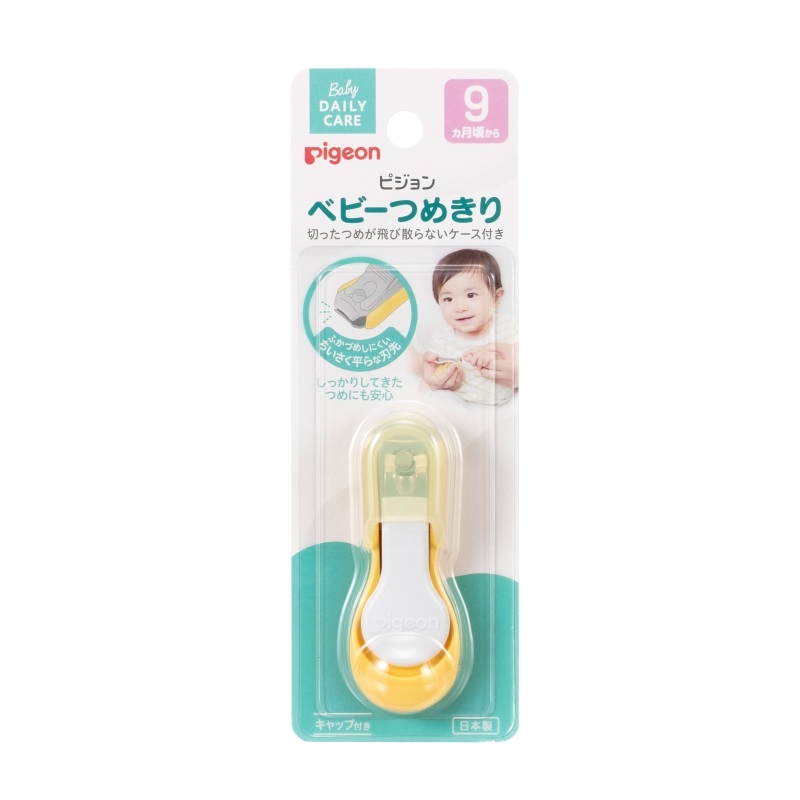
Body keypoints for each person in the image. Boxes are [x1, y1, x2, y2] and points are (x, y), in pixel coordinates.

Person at [413, 249, 517, 405]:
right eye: (448, 299)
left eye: (470, 295)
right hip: (461, 403)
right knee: (437, 398)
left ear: (496, 297)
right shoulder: (442, 338)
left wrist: (493, 357)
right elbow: (430, 378)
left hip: (508, 403)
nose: (459, 307)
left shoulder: (508, 326)